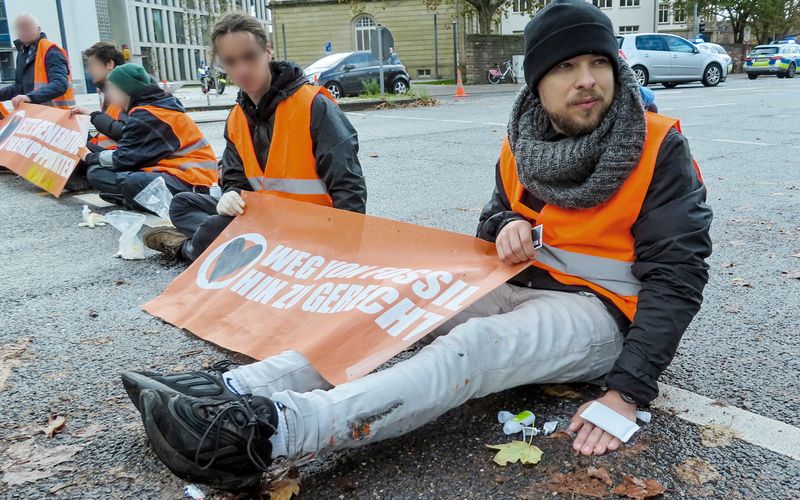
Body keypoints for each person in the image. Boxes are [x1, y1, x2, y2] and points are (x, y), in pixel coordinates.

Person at [121, 0, 711, 491]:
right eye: (566, 68)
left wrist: (628, 391)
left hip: (606, 312)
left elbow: (678, 276)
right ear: (537, 84)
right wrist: (503, 222)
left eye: (597, 63)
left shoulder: (657, 148)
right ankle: (243, 388)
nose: (586, 80)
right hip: (522, 282)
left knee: (475, 346)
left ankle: (275, 432)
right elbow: (494, 218)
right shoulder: (523, 142)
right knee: (401, 296)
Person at [142, 12, 366, 261]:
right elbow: (236, 177)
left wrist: (346, 255)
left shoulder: (314, 106)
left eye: (249, 57)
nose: (242, 69)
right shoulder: (238, 116)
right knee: (182, 204)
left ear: (267, 52)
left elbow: (348, 187)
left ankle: (188, 248)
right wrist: (230, 193)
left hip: (312, 229)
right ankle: (228, 246)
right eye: (231, 61)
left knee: (209, 233)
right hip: (264, 220)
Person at [80, 63, 218, 211]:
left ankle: (137, 198)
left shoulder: (147, 115)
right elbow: (133, 156)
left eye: (111, 88)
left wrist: (90, 157)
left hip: (192, 179)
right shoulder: (149, 108)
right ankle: (135, 197)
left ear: (124, 90)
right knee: (98, 173)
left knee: (132, 181)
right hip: (170, 171)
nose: (108, 93)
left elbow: (125, 158)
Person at [0, 13, 75, 110]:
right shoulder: (22, 54)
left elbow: (59, 84)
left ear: (39, 29)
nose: (24, 30)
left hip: (56, 115)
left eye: (27, 26)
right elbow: (19, 87)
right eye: (20, 28)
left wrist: (29, 97)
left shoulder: (51, 51)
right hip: (36, 116)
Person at [72, 41, 128, 150]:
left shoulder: (125, 91)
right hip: (113, 156)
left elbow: (124, 131)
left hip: (118, 159)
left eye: (92, 65)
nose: (89, 71)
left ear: (109, 64)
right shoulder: (108, 93)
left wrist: (92, 114)